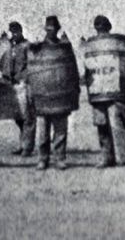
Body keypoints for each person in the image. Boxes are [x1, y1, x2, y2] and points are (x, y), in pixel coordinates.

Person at [85, 15, 125, 175]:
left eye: (102, 26)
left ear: (107, 27)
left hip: (113, 89)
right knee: (101, 123)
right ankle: (107, 157)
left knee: (116, 124)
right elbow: (88, 67)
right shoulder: (92, 44)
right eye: (98, 26)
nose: (100, 29)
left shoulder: (118, 42)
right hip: (98, 89)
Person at [30, 16, 79, 170]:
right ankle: (43, 159)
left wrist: (74, 91)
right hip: (42, 95)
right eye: (48, 28)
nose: (50, 30)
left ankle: (59, 158)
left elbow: (73, 70)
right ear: (45, 29)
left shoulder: (65, 47)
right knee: (43, 130)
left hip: (62, 96)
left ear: (58, 29)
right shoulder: (38, 48)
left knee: (60, 130)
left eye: (53, 28)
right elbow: (31, 69)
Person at [0, 21, 34, 156]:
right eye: (12, 32)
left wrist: (24, 77)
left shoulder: (27, 46)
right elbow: (1, 65)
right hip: (12, 86)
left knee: (27, 117)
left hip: (24, 84)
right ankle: (23, 145)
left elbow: (33, 66)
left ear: (21, 31)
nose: (14, 34)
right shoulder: (10, 47)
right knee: (19, 118)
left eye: (16, 32)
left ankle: (27, 147)